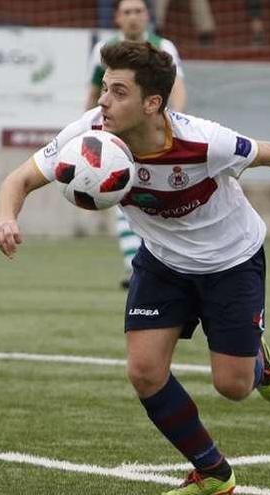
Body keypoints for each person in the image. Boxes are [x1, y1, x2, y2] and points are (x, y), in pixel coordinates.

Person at [0, 41, 270, 495]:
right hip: (162, 264)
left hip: (231, 262)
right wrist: (6, 216)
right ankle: (214, 474)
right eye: (104, 88)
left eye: (118, 92)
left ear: (152, 103)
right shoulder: (90, 138)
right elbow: (19, 179)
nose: (103, 101)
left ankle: (259, 363)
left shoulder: (202, 140)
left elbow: (265, 151)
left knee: (234, 386)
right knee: (143, 371)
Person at [86, 0, 186, 289]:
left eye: (138, 11)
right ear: (117, 17)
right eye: (127, 12)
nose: (133, 17)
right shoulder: (104, 50)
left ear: (147, 17)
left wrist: (171, 123)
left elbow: (178, 89)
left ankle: (167, 263)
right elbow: (93, 91)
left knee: (161, 197)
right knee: (121, 192)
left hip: (156, 134)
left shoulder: (164, 47)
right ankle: (134, 267)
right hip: (118, 134)